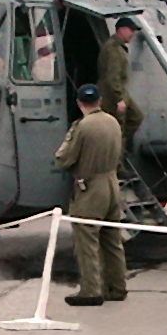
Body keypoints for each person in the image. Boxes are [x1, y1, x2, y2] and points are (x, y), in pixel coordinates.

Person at [56, 84, 128, 305]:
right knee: (112, 240)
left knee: (86, 240)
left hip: (91, 187)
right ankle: (117, 287)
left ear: (79, 103)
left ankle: (91, 290)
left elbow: (63, 159)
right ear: (100, 101)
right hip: (112, 184)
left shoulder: (82, 126)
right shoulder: (112, 122)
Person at [97, 17, 145, 173]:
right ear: (121, 29)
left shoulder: (119, 48)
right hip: (112, 95)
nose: (132, 34)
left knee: (136, 117)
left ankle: (119, 150)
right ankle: (116, 165)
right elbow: (112, 77)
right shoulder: (113, 49)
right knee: (117, 129)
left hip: (122, 92)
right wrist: (118, 99)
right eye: (130, 30)